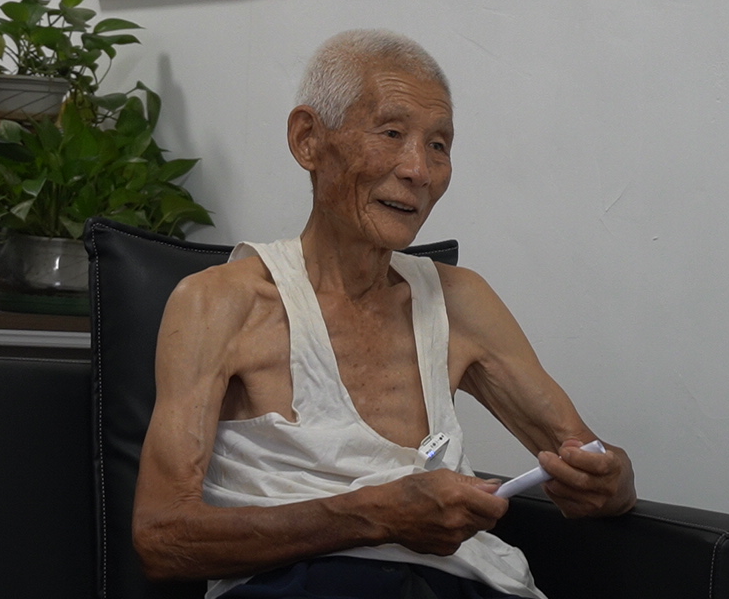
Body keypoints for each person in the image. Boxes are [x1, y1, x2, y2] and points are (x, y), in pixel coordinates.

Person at [132, 29, 636, 599]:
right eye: (392, 133)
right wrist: (374, 516)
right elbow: (161, 538)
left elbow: (591, 461)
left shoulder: (460, 301)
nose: (418, 169)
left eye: (439, 145)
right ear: (307, 140)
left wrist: (612, 481)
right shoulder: (221, 303)